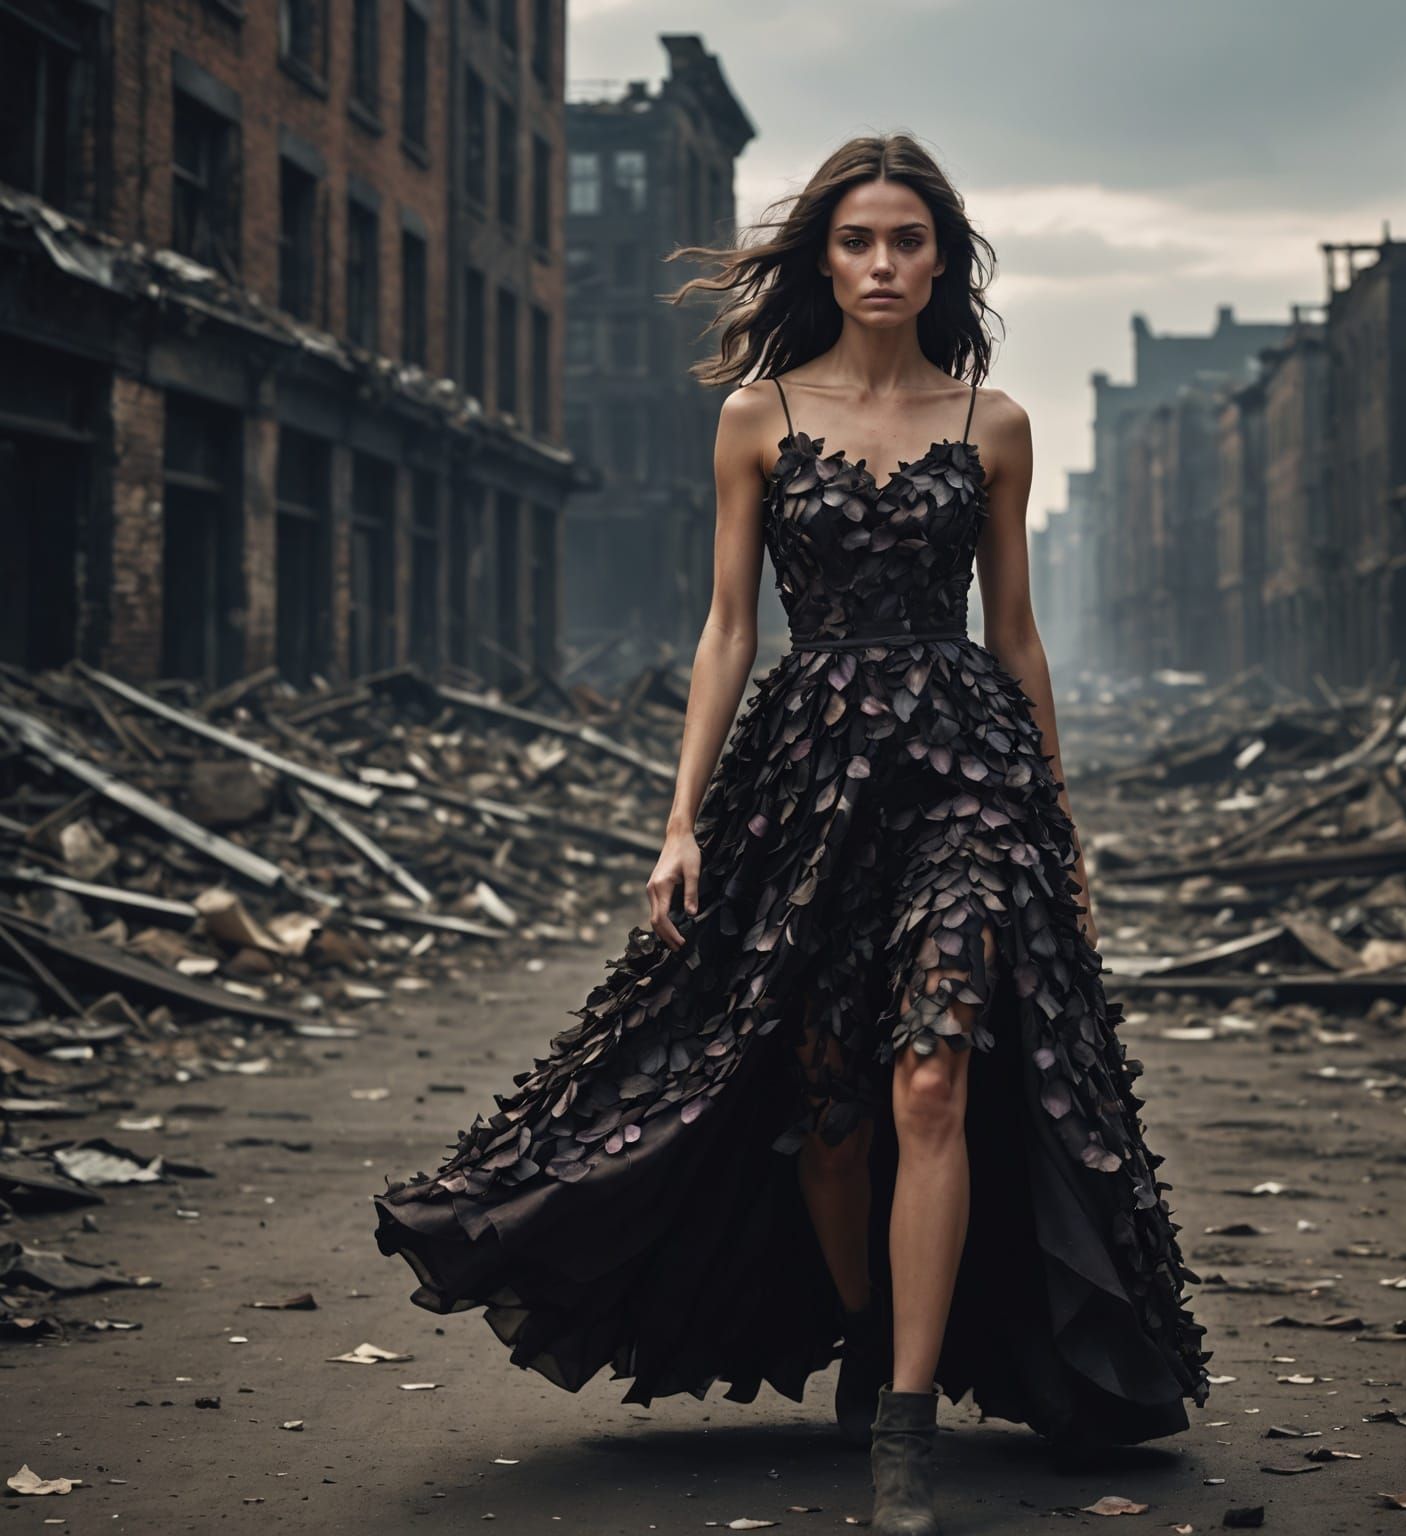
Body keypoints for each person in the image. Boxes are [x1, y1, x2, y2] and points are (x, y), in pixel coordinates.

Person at [374, 132, 1210, 1536]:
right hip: (806, 776)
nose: (882, 264)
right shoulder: (756, 415)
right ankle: (870, 1324)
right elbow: (725, 629)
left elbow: (1013, 631)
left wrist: (1053, 814)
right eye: (856, 242)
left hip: (963, 777)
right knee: (828, 1112)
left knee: (932, 1081)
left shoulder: (991, 423)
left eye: (907, 242)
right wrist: (679, 821)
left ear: (943, 259)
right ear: (823, 257)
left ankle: (906, 1427)